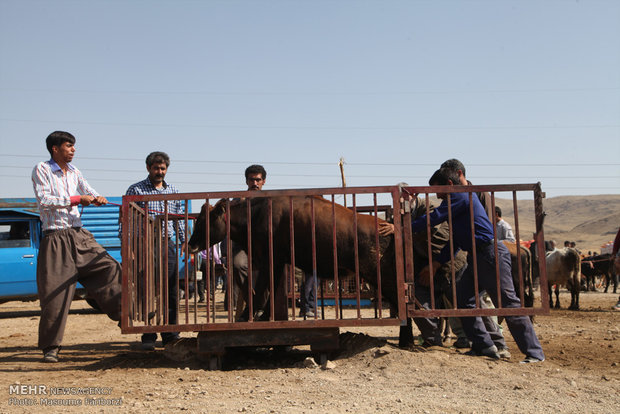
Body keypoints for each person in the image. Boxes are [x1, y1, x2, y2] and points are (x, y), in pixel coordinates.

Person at [413, 168, 545, 363]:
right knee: (462, 297)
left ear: (449, 185)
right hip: (476, 256)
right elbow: (455, 242)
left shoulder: (459, 197)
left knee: (508, 304)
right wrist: (437, 263)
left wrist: (400, 227)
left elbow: (433, 218)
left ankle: (534, 353)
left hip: (489, 254)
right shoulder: (457, 205)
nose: (437, 194)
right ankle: (484, 345)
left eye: (438, 189)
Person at [31, 131, 122, 363]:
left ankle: (125, 313)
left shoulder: (75, 172)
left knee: (109, 267)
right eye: (69, 146)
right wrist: (76, 200)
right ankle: (51, 347)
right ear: (55, 148)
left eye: (73, 146)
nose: (73, 150)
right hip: (55, 239)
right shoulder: (41, 169)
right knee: (55, 294)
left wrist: (97, 197)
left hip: (79, 235)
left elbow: (88, 191)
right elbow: (44, 201)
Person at [125, 151, 186, 350]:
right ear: (148, 168)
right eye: (156, 168)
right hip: (144, 244)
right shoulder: (136, 189)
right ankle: (149, 335)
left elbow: (179, 218)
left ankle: (171, 334)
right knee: (148, 288)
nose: (159, 172)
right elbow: (128, 220)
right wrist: (130, 246)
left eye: (162, 168)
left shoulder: (174, 190)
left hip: (166, 243)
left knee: (171, 288)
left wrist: (184, 240)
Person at [222, 164, 267, 319]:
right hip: (243, 246)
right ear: (246, 181)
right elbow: (226, 228)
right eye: (251, 180)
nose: (255, 183)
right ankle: (255, 305)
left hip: (265, 247)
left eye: (258, 180)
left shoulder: (269, 201)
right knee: (237, 264)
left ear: (264, 181)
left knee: (271, 268)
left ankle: (261, 308)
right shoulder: (237, 201)